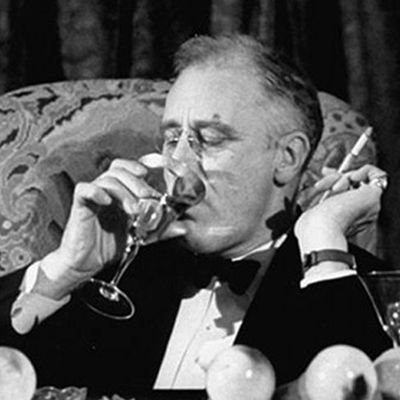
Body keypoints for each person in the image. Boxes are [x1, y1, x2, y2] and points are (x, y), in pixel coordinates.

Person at [0, 34, 391, 396]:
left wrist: (322, 238)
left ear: (287, 157)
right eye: (172, 138)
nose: (179, 163)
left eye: (210, 139)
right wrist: (64, 271)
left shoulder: (357, 291)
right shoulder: (121, 276)